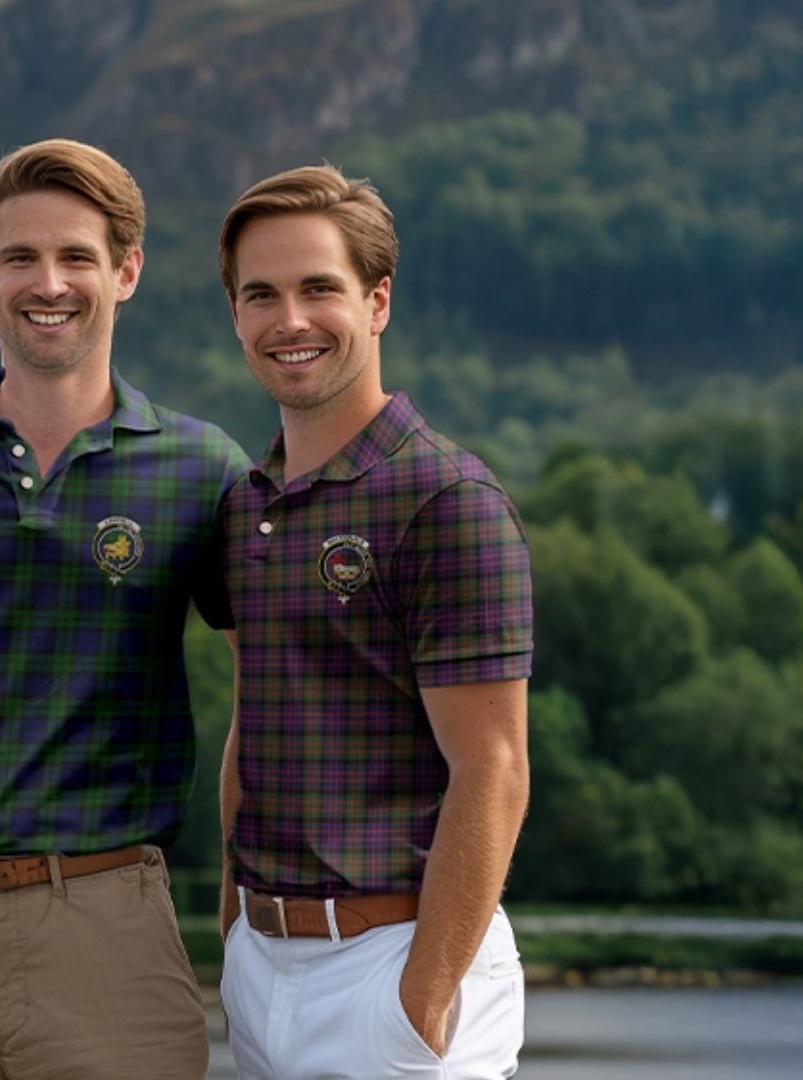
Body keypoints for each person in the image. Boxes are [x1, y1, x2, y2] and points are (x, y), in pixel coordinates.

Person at [0, 138, 246, 1080]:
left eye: (77, 257)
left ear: (127, 272)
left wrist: (248, 901)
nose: (47, 281)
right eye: (20, 256)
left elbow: (286, 687)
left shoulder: (200, 469)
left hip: (105, 925)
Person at [214, 164, 532, 1079]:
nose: (292, 320)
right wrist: (234, 927)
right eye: (262, 294)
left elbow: (495, 769)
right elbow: (254, 719)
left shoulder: (447, 499)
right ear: (235, 315)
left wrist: (422, 1003)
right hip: (265, 965)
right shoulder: (248, 507)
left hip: (394, 967)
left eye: (321, 288)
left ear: (378, 301)